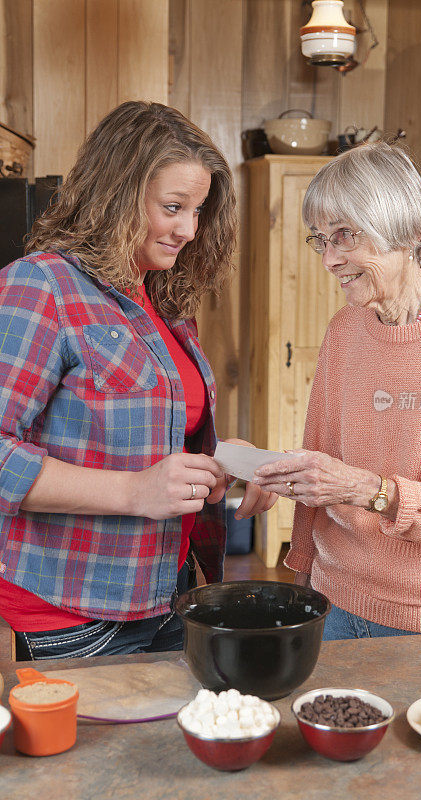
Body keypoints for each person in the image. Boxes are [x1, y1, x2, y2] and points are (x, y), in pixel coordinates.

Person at [0, 100, 276, 660]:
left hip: (169, 591)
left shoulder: (162, 300)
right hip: (73, 610)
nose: (188, 230)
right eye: (173, 207)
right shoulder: (41, 286)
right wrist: (132, 492)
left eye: (199, 211)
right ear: (118, 194)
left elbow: (152, 438)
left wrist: (224, 460)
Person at [253, 141, 421, 670]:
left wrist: (364, 489)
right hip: (339, 609)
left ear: (409, 232)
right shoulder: (345, 329)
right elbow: (321, 453)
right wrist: (302, 570)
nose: (330, 259)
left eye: (346, 236)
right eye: (321, 240)